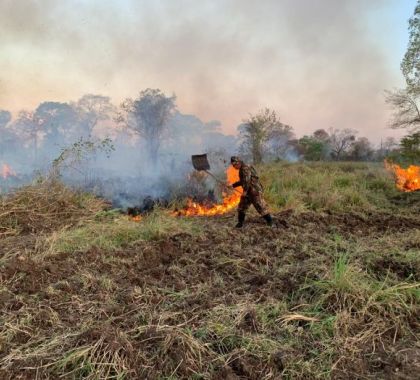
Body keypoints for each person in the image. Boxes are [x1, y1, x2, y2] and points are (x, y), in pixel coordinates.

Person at [230, 156, 273, 228]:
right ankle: (240, 223)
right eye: (233, 165)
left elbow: (247, 181)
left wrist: (245, 191)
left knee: (260, 206)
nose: (234, 167)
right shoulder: (241, 169)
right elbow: (243, 181)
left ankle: (270, 222)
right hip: (248, 191)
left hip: (254, 191)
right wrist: (233, 185)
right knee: (242, 207)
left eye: (234, 165)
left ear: (239, 162)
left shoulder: (245, 168)